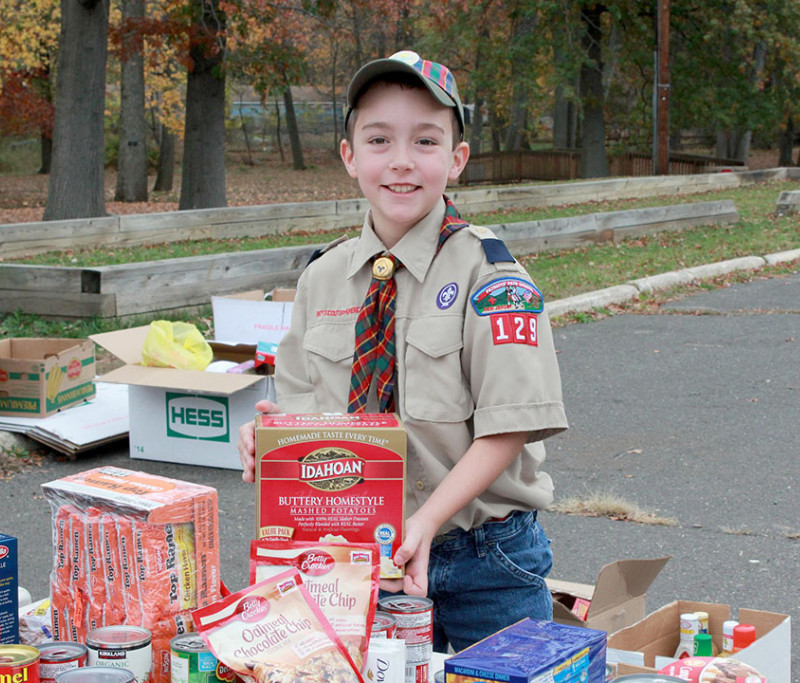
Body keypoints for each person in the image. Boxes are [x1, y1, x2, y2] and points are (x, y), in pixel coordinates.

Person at [237, 50, 568, 652]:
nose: (401, 162)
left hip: (484, 562)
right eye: (379, 139)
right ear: (350, 156)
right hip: (354, 557)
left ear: (457, 159)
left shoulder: (492, 278)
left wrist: (428, 520)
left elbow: (509, 428)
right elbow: (307, 419)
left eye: (425, 141)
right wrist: (274, 444)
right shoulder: (323, 278)